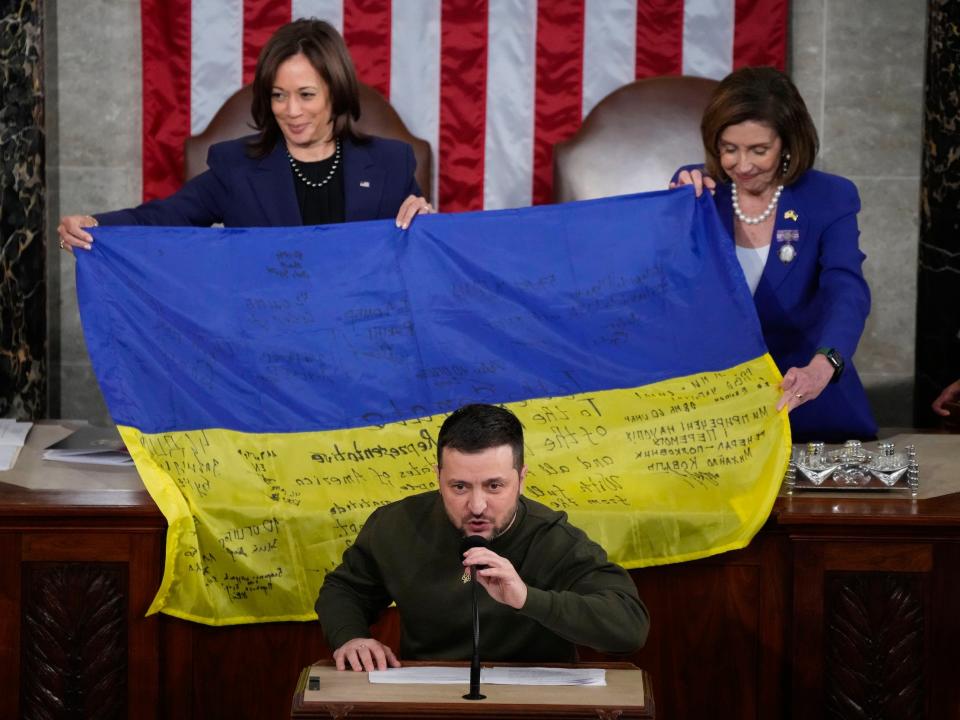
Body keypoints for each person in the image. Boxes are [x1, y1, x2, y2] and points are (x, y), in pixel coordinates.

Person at [316, 403, 649, 671]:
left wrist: (526, 598)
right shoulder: (396, 525)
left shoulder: (553, 538)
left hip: (534, 702)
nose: (476, 506)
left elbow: (629, 627)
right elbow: (344, 589)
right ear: (438, 477)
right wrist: (351, 637)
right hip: (426, 696)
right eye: (459, 486)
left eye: (494, 486)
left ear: (520, 478)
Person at [57, 19, 431, 252]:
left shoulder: (391, 163)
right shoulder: (235, 167)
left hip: (365, 345)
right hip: (267, 349)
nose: (291, 111)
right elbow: (165, 217)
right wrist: (96, 224)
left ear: (337, 93)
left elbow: (425, 255)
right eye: (278, 96)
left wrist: (426, 223)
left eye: (306, 95)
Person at [671, 67, 877, 442]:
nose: (743, 165)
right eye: (729, 149)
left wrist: (824, 364)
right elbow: (665, 287)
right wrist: (673, 210)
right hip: (714, 414)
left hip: (806, 403)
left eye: (759, 150)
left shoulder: (829, 197)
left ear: (788, 143)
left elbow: (846, 290)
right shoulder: (696, 191)